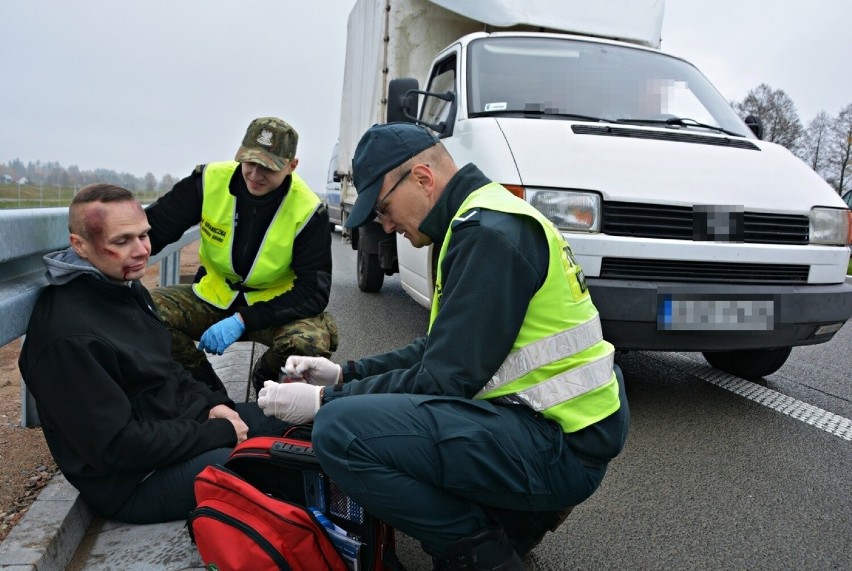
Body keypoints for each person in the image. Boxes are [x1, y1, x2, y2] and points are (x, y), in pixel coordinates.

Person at [256, 122, 631, 570]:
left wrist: (324, 401)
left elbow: (444, 378)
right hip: (559, 428)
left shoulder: (487, 234)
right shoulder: (483, 218)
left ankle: (479, 553)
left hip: (559, 446)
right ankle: (510, 515)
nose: (387, 224)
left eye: (385, 208)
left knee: (339, 430)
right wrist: (346, 373)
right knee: (356, 412)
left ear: (422, 178)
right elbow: (440, 350)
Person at [18, 184, 292, 524]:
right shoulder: (68, 336)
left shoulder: (124, 288)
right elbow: (117, 446)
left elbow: (169, 366)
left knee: (294, 422)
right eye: (122, 241)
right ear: (81, 246)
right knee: (279, 470)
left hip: (179, 431)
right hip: (138, 482)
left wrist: (212, 405)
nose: (141, 250)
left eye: (144, 235)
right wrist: (217, 432)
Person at [145, 116, 339, 396]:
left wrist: (244, 320)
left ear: (291, 166)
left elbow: (314, 292)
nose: (256, 175)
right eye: (250, 162)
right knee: (144, 313)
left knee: (310, 342)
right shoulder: (208, 181)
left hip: (273, 306)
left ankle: (268, 378)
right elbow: (155, 228)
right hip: (212, 296)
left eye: (268, 167)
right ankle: (205, 388)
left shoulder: (308, 211)